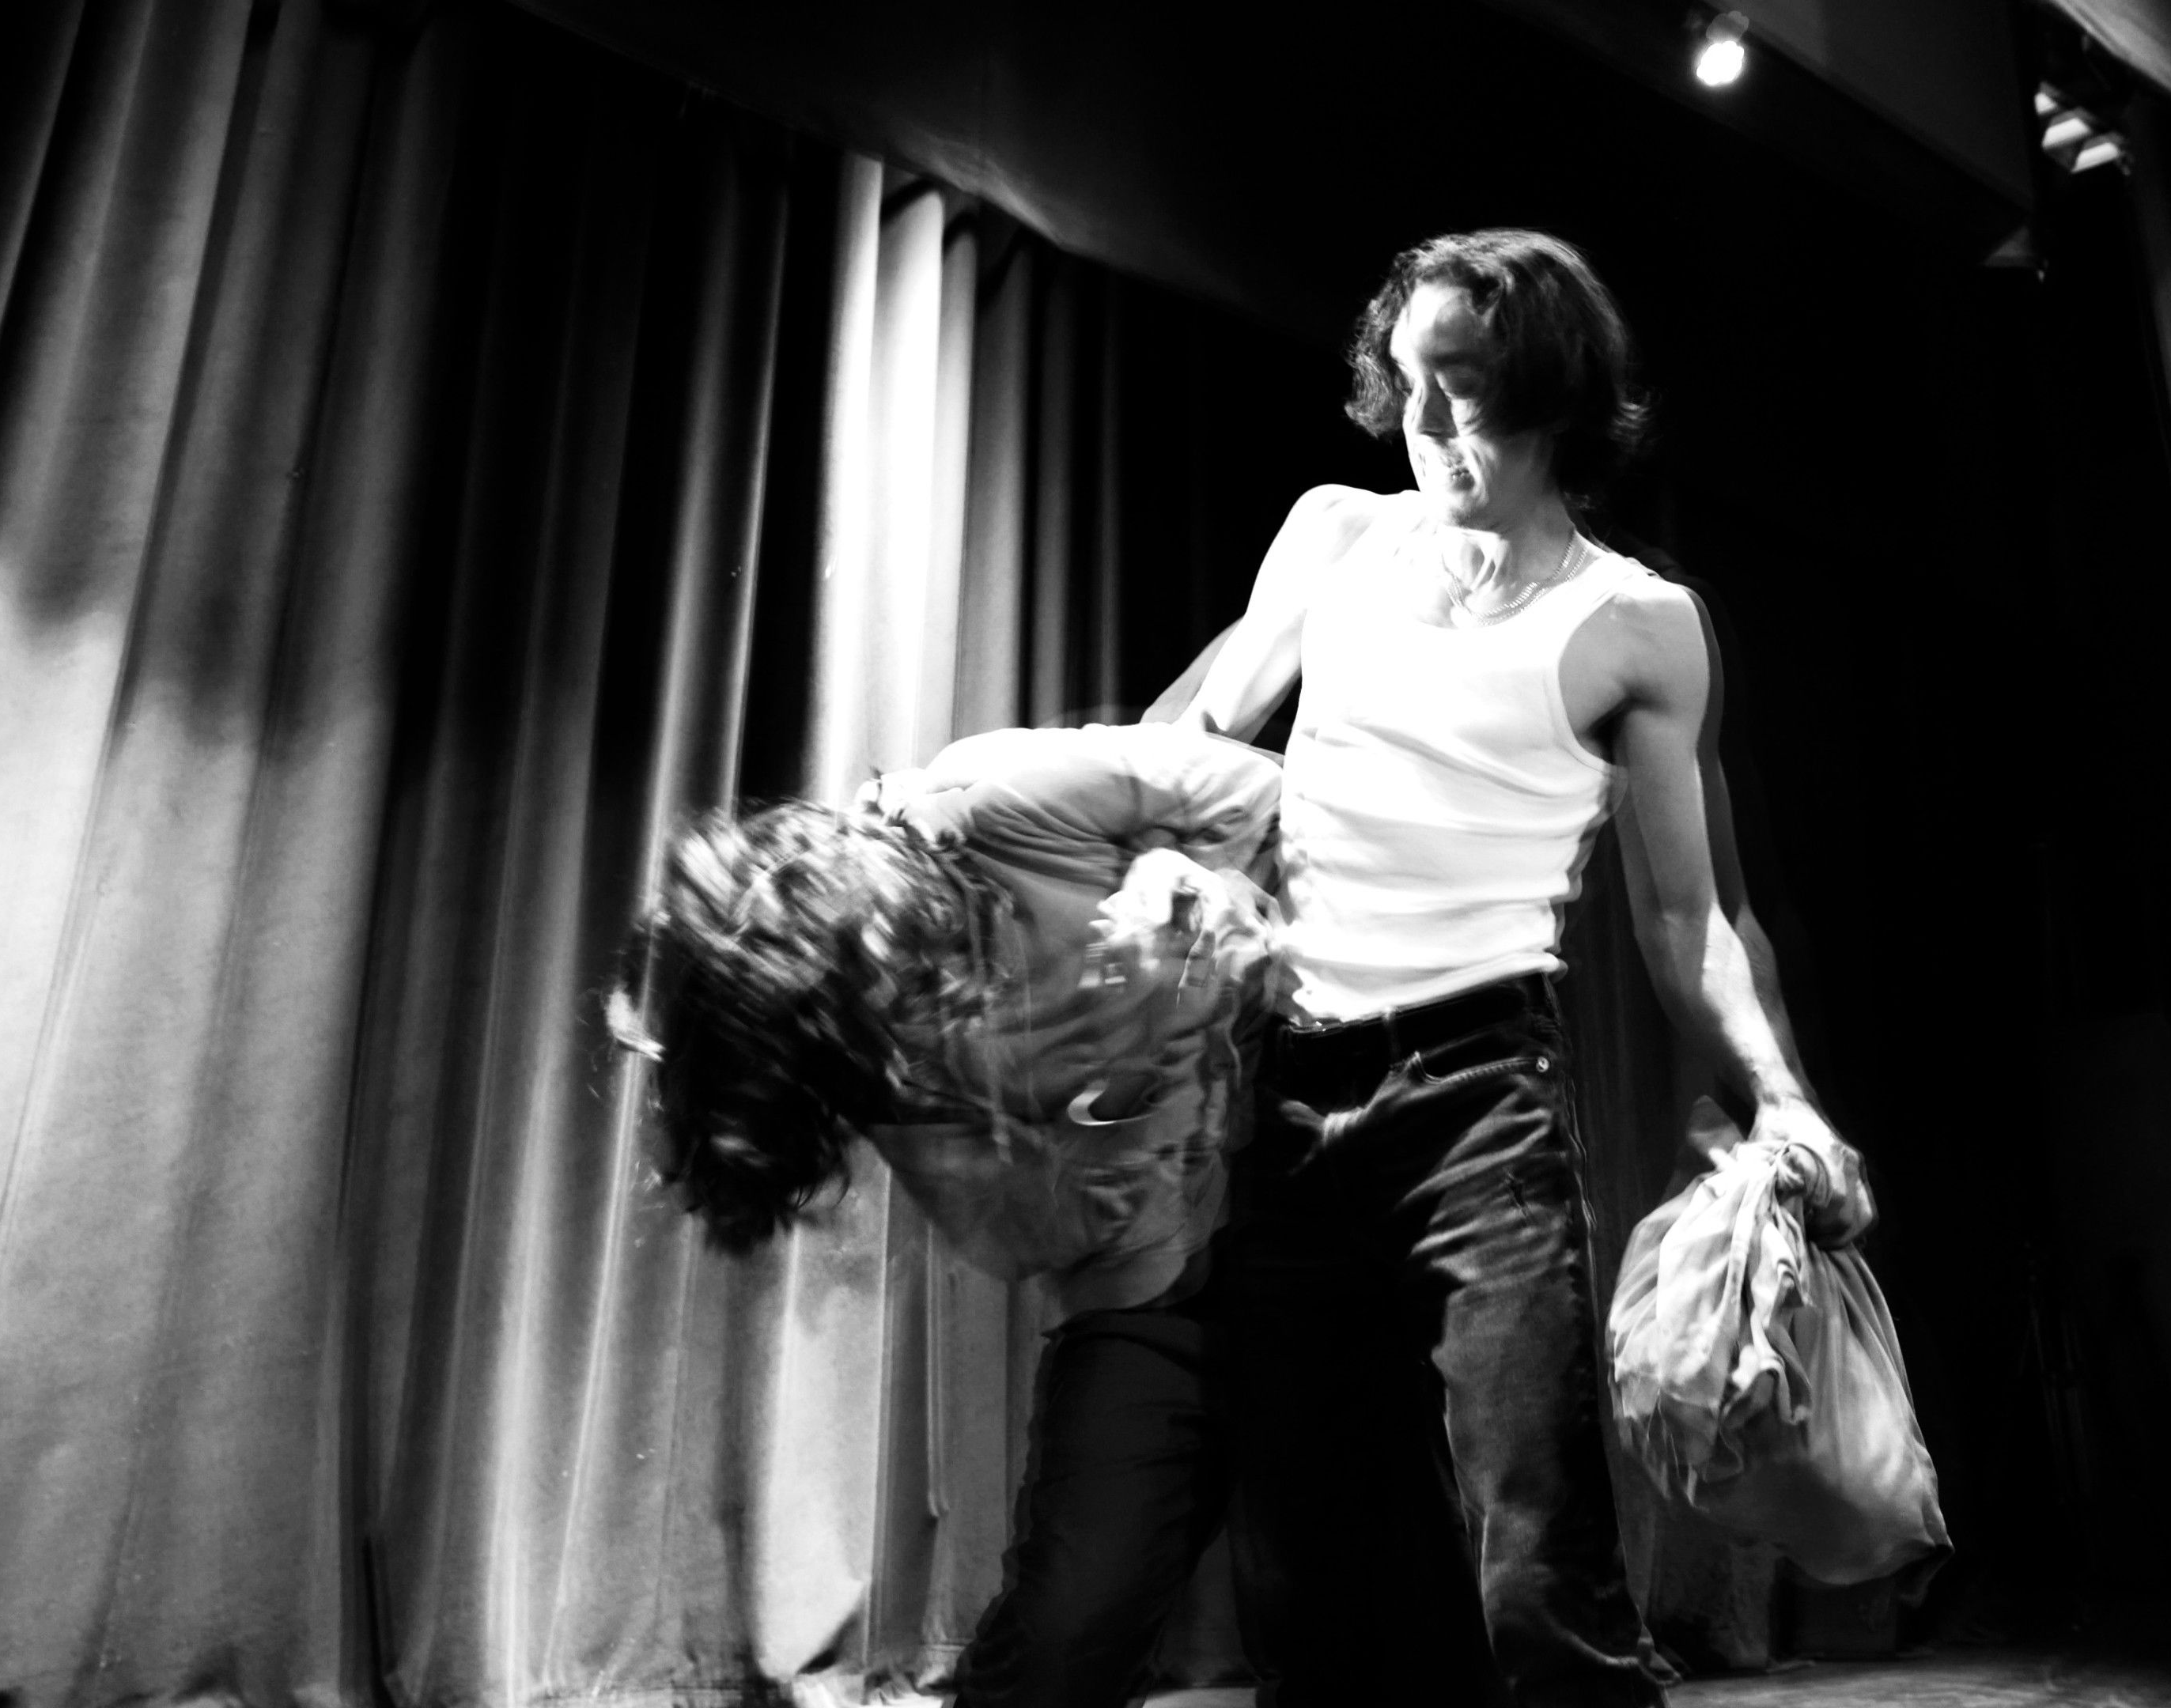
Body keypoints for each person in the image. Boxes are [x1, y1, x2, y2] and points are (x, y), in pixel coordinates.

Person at [1161, 229, 1876, 1705]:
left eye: (1465, 385)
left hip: (1482, 1099)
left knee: (1537, 1567)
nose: (1425, 421)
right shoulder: (1336, 538)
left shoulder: (1636, 626)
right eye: (1408, 380)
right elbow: (1194, 744)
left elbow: (1690, 921)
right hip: (1292, 1093)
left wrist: (1782, 1097)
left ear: (1552, 395)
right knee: (1309, 1578)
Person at [608, 720, 1283, 1708]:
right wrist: (1138, 1055)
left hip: (1318, 1193)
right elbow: (1031, 1235)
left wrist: (1207, 897)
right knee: (1061, 1643)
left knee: (1364, 1617)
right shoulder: (885, 1075)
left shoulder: (1001, 798)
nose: (907, 1033)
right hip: (1150, 1301)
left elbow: (1284, 803)